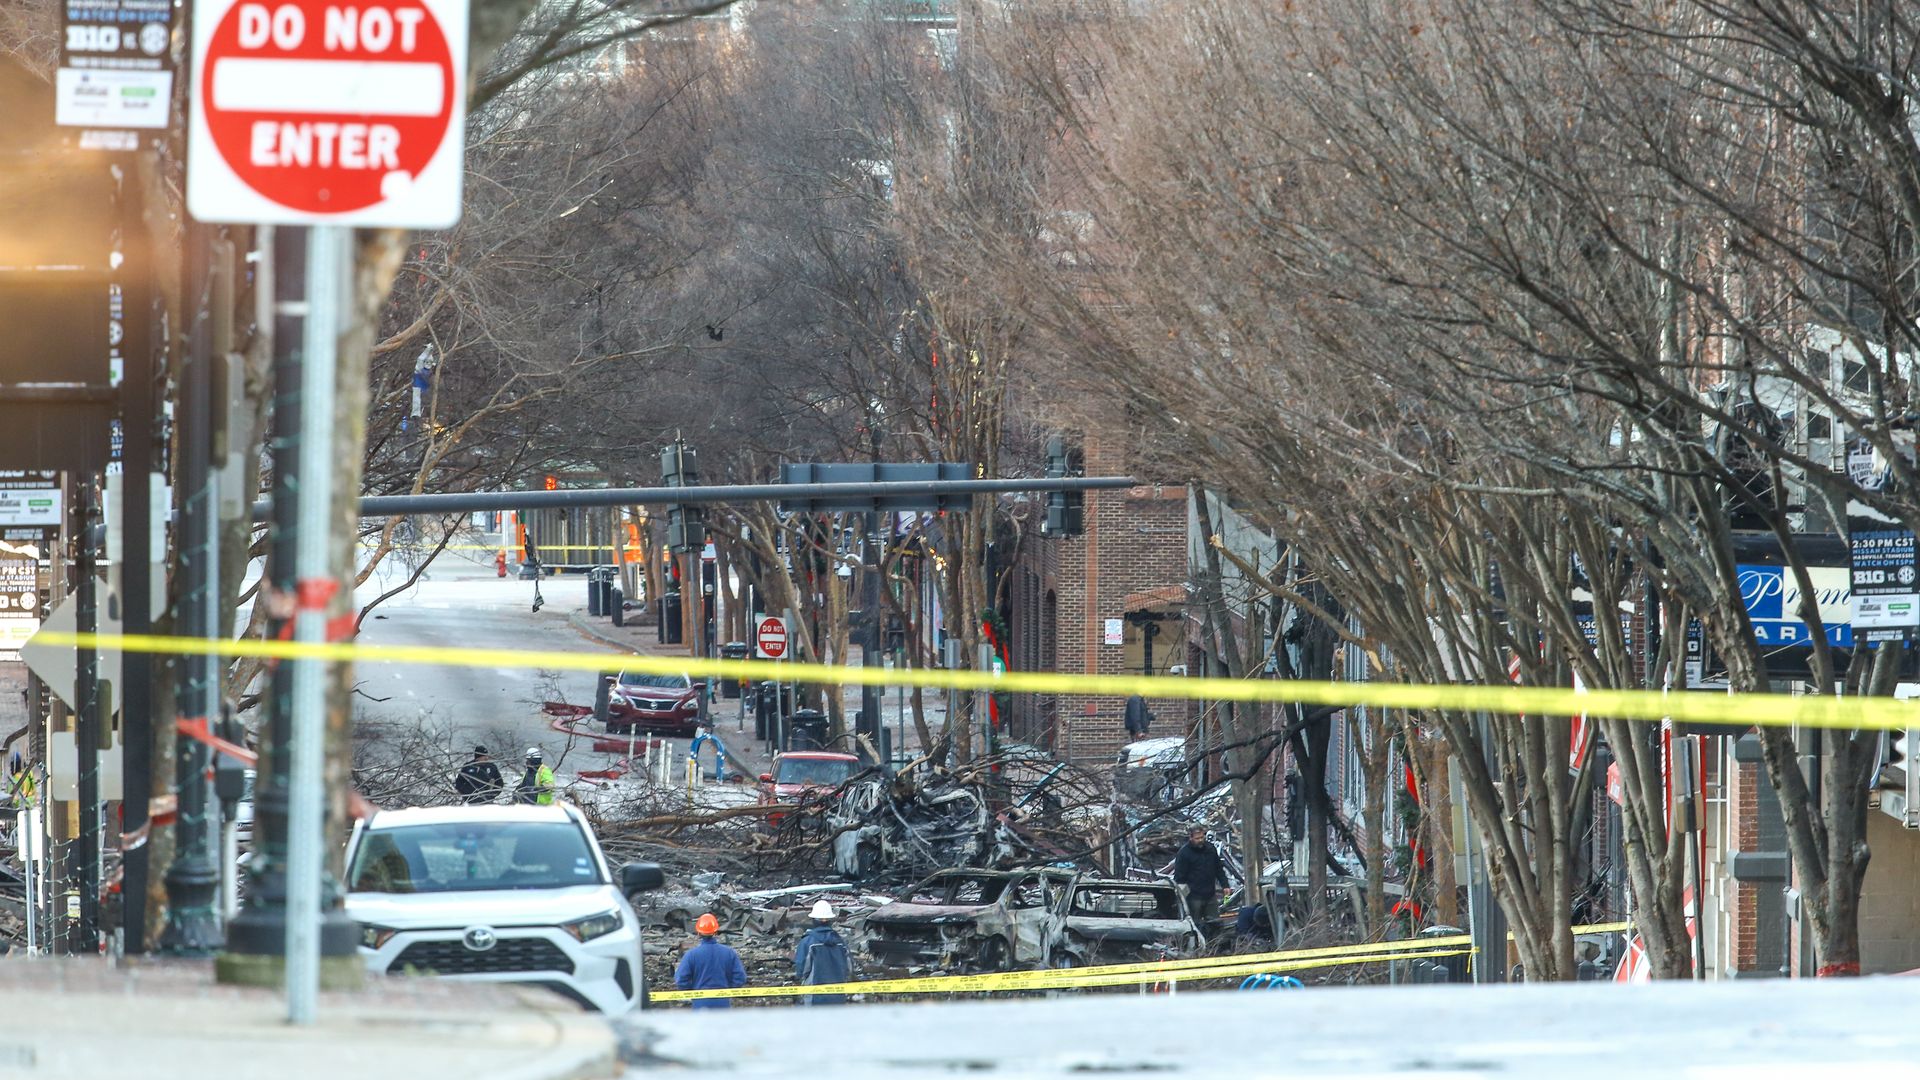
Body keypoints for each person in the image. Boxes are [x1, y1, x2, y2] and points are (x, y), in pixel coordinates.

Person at [675, 913, 747, 1009]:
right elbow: (740, 978)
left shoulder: (691, 955)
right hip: (723, 1003)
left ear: (698, 933)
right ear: (716, 932)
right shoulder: (729, 953)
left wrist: (693, 991)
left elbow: (681, 980)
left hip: (700, 1004)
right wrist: (728, 989)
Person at [1171, 826, 1229, 936]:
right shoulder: (1184, 853)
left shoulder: (1210, 849)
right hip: (1193, 896)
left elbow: (1218, 869)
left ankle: (1216, 946)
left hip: (1210, 894)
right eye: (1197, 838)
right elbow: (1179, 878)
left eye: (1202, 837)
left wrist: (1225, 885)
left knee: (1215, 923)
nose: (1201, 840)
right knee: (1194, 925)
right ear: (1191, 838)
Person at [793, 900, 852, 1006]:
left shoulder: (807, 942)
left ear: (813, 920)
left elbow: (801, 969)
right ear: (830, 920)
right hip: (838, 995)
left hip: (814, 996)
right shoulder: (840, 942)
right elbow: (849, 968)